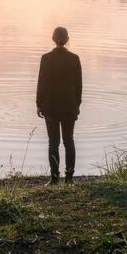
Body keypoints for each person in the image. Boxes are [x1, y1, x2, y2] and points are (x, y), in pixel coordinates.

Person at [36, 26, 82, 185]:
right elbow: (79, 85)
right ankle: (69, 178)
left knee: (53, 142)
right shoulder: (74, 58)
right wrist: (77, 104)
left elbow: (41, 83)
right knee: (69, 141)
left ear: (53, 39)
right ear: (67, 39)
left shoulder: (46, 58)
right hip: (69, 106)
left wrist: (39, 104)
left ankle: (54, 178)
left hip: (50, 107)